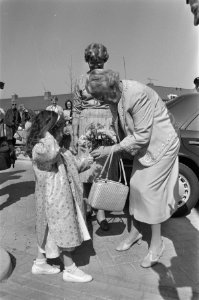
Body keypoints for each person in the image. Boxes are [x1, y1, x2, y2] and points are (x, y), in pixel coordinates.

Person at [86, 69, 180, 268]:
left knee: (148, 191)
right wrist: (108, 134)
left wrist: (111, 149)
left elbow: (142, 136)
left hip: (161, 144)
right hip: (144, 149)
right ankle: (136, 231)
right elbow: (122, 125)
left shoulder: (136, 94)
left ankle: (157, 243)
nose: (100, 102)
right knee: (136, 186)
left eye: (101, 97)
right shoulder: (115, 96)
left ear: (110, 89)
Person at [26, 110, 93, 282]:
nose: (62, 130)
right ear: (48, 128)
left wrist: (89, 157)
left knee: (48, 230)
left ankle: (40, 263)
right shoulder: (41, 148)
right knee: (62, 229)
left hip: (60, 197)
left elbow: (73, 165)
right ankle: (70, 269)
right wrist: (49, 132)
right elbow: (51, 154)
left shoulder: (58, 148)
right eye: (58, 126)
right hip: (52, 198)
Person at [72, 43, 117, 231]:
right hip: (85, 125)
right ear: (87, 60)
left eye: (97, 60)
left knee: (103, 168)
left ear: (104, 59)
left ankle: (101, 211)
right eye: (91, 59)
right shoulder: (81, 80)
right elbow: (76, 108)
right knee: (86, 167)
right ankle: (88, 205)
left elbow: (117, 104)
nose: (94, 63)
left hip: (106, 124)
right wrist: (74, 135)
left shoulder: (112, 78)